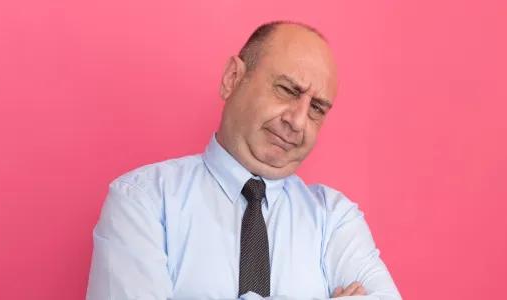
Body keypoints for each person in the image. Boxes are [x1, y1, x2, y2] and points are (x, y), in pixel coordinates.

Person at [86, 21, 402, 300]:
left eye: (317, 108)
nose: (298, 120)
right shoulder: (142, 201)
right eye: (288, 90)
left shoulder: (335, 219)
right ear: (232, 78)